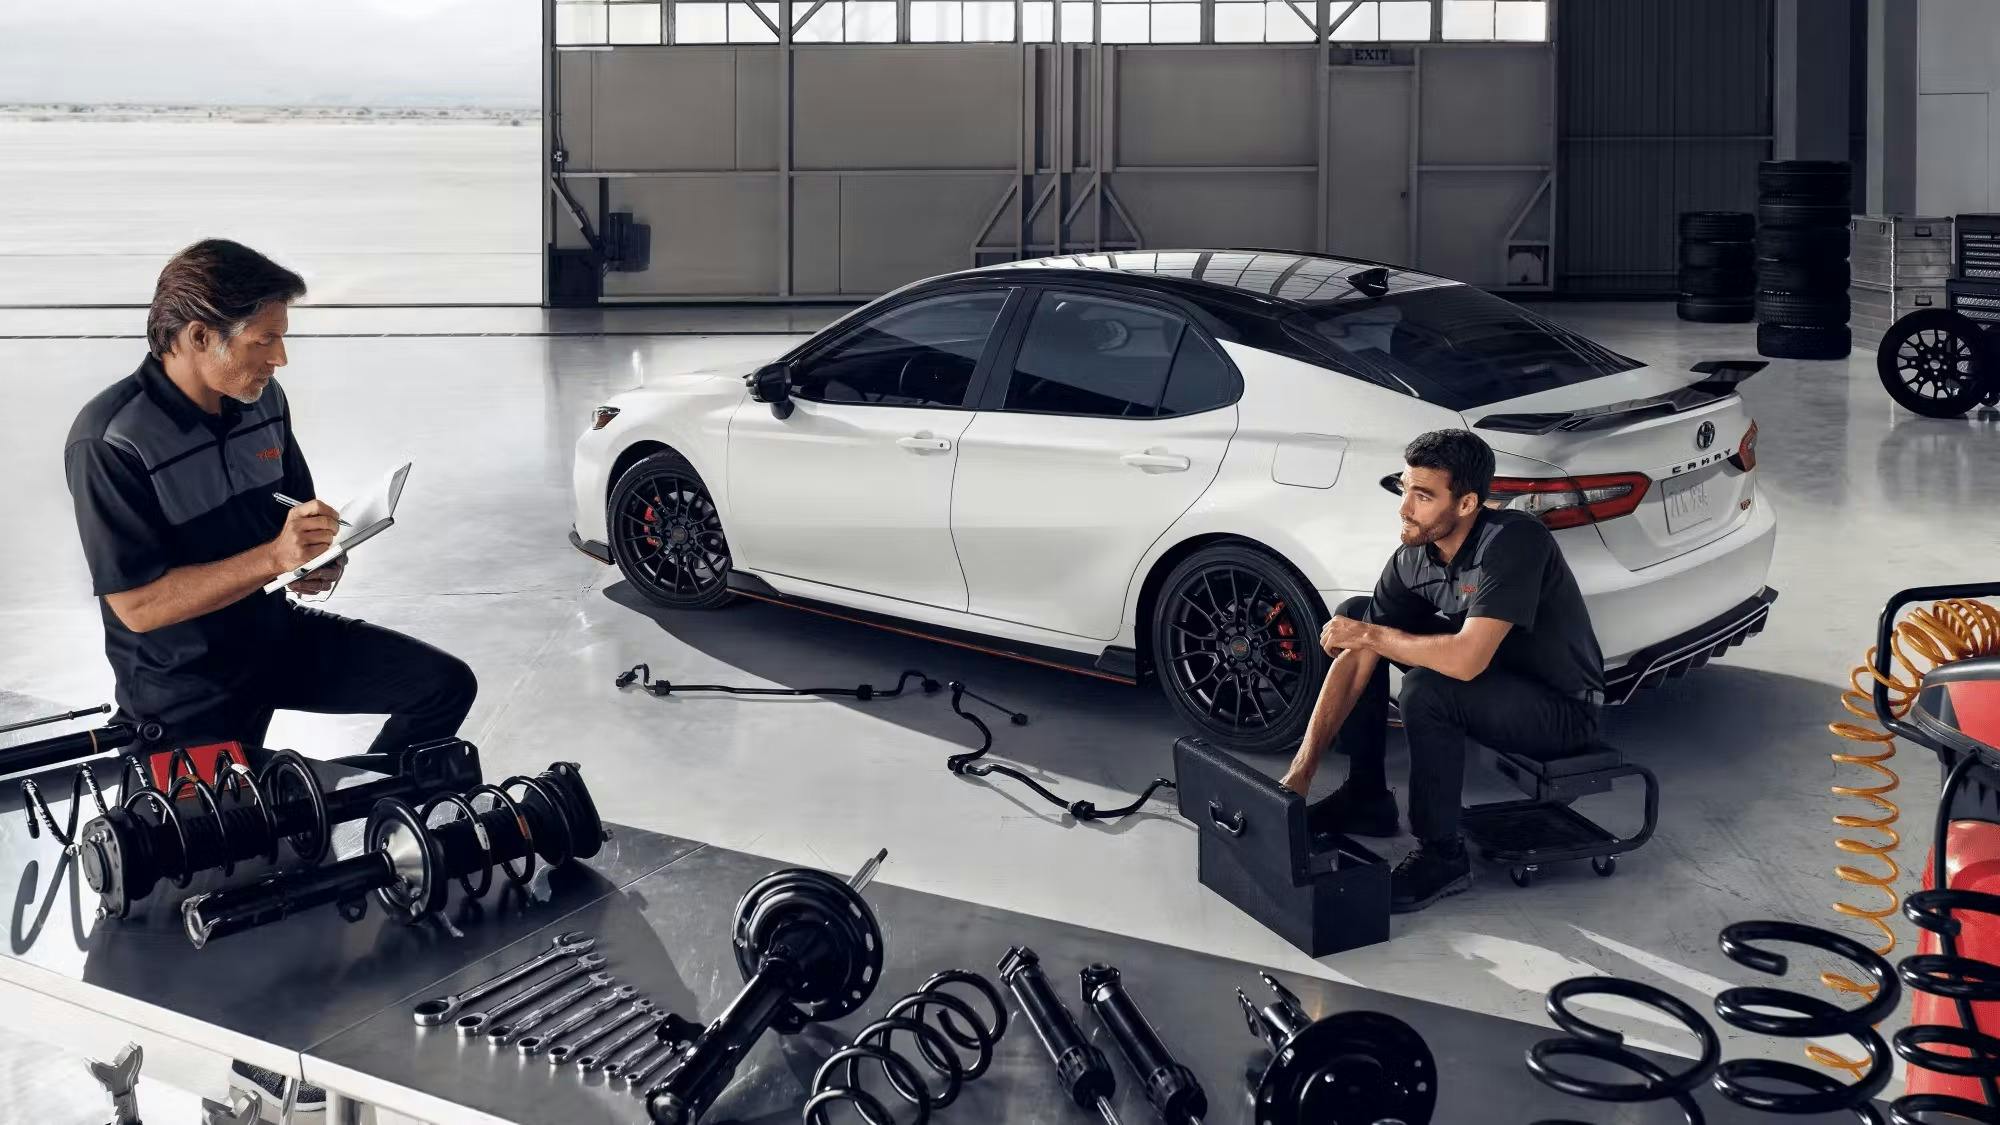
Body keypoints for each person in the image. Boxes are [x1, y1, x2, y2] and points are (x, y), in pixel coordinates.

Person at [64, 238, 477, 755]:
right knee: (225, 833)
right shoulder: (111, 440)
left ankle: (367, 800)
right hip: (185, 686)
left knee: (444, 685)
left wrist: (317, 557)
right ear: (199, 336)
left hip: (273, 637)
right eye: (264, 342)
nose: (279, 358)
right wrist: (272, 558)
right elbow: (139, 606)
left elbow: (292, 514)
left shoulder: (262, 401)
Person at [1280, 429, 1604, 913]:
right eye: (1404, 488)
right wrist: (1299, 775)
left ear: (1468, 502)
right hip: (1496, 682)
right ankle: (1366, 796)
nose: (1404, 508)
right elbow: (1359, 651)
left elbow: (1466, 660)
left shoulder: (1514, 542)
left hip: (1560, 709)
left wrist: (1369, 635)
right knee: (1359, 612)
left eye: (1423, 495)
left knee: (1428, 686)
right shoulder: (1414, 555)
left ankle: (1443, 855)